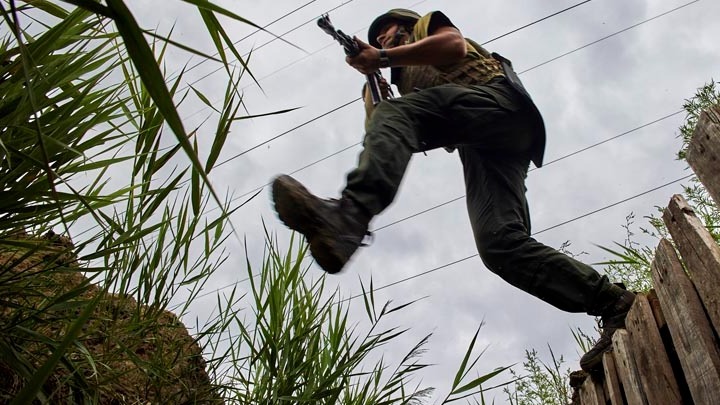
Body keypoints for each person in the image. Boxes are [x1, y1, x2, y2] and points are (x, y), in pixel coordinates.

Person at [271, 9, 635, 372]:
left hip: (499, 105)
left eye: (389, 30)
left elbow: (454, 47)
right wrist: (375, 83)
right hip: (484, 145)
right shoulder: (398, 82)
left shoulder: (427, 28)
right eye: (378, 38)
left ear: (408, 24)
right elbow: (385, 131)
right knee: (499, 245)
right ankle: (613, 303)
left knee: (397, 115)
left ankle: (349, 217)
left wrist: (382, 58)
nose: (383, 38)